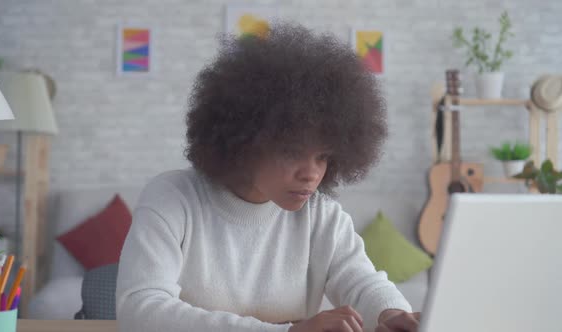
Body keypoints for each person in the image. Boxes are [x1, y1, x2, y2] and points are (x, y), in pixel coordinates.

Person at [116, 21, 420, 332]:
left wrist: (390, 313)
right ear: (243, 142)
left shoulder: (322, 217)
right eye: (292, 152)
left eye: (323, 156)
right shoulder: (174, 198)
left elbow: (361, 281)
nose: (311, 173)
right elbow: (140, 309)